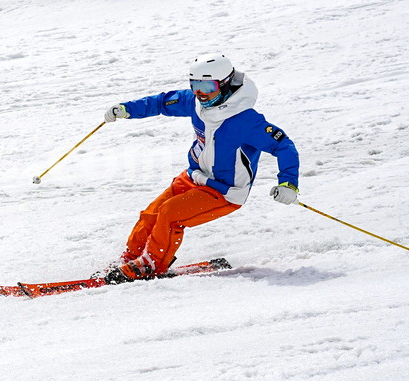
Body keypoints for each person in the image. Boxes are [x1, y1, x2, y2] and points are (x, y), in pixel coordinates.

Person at [100, 54, 300, 283]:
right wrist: (127, 109)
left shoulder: (246, 120)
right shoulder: (196, 103)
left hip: (224, 191)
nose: (200, 93)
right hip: (193, 177)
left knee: (170, 215)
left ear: (225, 84)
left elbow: (284, 145)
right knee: (151, 214)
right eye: (195, 85)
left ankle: (150, 264)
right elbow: (161, 102)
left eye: (207, 86)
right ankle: (131, 259)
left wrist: (288, 183)